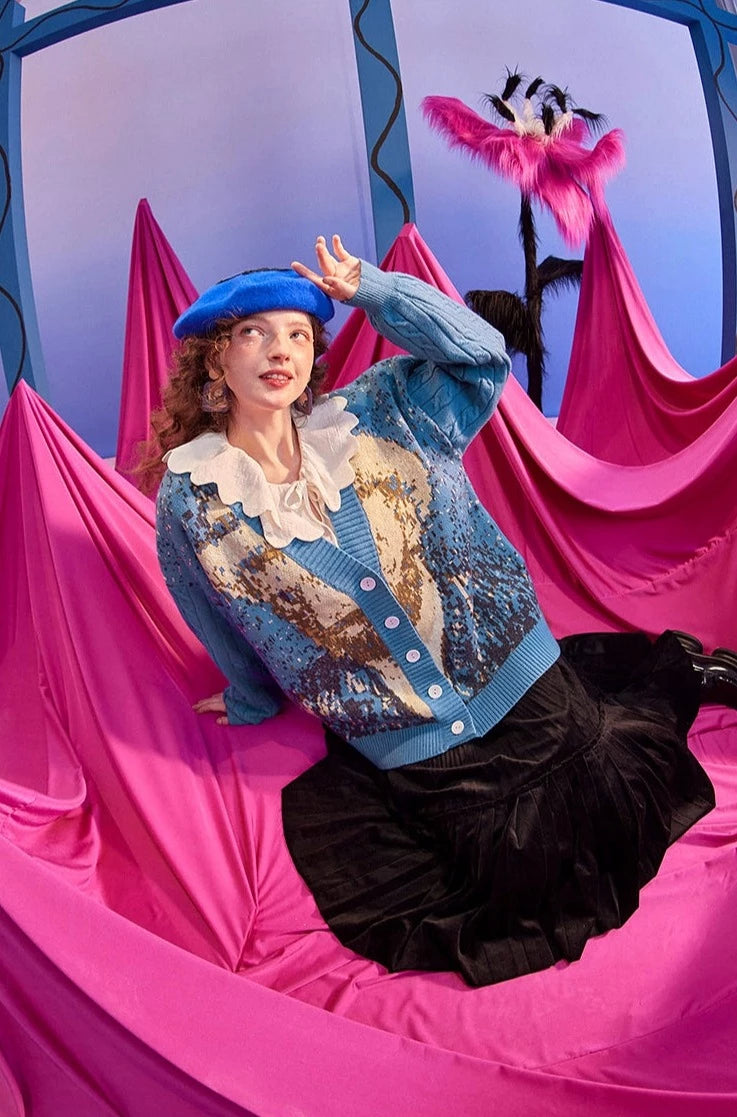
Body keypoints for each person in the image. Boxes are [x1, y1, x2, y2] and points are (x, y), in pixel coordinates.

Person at [151, 234, 724, 987]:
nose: (280, 349)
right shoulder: (193, 499)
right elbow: (214, 607)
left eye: (298, 333)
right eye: (253, 333)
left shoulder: (383, 409)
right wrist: (251, 697)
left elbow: (481, 355)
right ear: (213, 360)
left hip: (514, 674)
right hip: (406, 733)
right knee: (510, 878)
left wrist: (374, 290)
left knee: (610, 798)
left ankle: (686, 674)